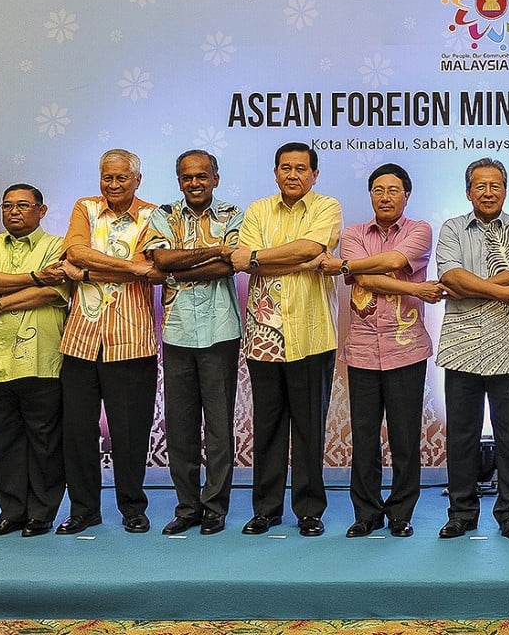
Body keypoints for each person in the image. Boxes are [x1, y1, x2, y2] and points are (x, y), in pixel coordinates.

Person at [230, 142, 342, 537]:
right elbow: (243, 258)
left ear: (314, 174)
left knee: (310, 427)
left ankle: (309, 510)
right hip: (264, 335)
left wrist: (262, 257)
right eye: (285, 167)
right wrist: (282, 258)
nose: (293, 174)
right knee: (269, 426)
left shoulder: (327, 207)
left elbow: (312, 249)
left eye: (301, 168)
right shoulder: (258, 209)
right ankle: (266, 509)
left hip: (310, 334)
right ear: (275, 172)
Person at [325, 163, 441, 539]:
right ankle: (366, 513)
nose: (385, 196)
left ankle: (401, 513)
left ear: (406, 195)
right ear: (370, 195)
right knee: (364, 436)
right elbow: (367, 277)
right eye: (378, 189)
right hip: (361, 348)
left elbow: (392, 263)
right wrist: (409, 287)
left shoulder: (419, 230)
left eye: (393, 190)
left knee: (406, 437)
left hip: (406, 347)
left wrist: (344, 266)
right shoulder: (354, 232)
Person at [58, 148, 162, 535]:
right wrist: (128, 267)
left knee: (130, 432)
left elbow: (148, 267)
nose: (113, 184)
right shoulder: (85, 207)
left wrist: (84, 272)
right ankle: (84, 510)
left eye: (121, 178)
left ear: (138, 179)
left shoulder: (155, 216)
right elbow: (75, 251)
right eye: (107, 177)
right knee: (78, 433)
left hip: (131, 339)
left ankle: (133, 508)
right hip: (81, 340)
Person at [140, 150, 243, 536]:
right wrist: (213, 250)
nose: (194, 183)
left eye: (202, 176)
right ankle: (187, 508)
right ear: (178, 181)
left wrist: (186, 261)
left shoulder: (234, 214)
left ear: (215, 178)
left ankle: (214, 507)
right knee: (180, 428)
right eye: (187, 178)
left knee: (218, 429)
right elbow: (162, 258)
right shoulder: (163, 214)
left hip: (220, 331)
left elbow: (230, 265)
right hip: (178, 331)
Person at [434, 158, 509, 540]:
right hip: (461, 344)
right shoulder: (452, 228)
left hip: (507, 343)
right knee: (461, 434)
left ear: (505, 190)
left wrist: (469, 286)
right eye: (480, 186)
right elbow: (449, 274)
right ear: (467, 192)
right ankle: (461, 512)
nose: (488, 192)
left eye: (495, 185)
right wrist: (500, 292)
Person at [0, 185, 69, 537]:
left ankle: (41, 513)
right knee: (4, 440)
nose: (14, 211)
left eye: (23, 205)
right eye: (7, 205)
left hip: (41, 358)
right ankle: (11, 512)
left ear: (42, 209)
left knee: (44, 440)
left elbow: (55, 290)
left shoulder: (58, 245)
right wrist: (35, 278)